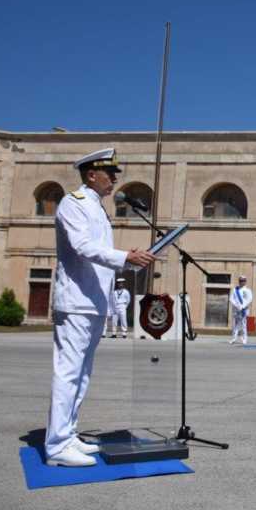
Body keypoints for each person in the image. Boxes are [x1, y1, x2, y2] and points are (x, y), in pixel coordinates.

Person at [45, 148, 156, 467]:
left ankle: (67, 434)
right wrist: (124, 257)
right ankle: (55, 445)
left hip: (93, 302)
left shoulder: (97, 208)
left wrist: (128, 259)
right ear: (91, 174)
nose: (115, 179)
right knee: (68, 372)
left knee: (81, 374)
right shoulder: (73, 204)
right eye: (111, 173)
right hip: (77, 302)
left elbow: (101, 255)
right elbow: (82, 247)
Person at [229, 275, 253, 345]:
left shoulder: (248, 290)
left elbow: (249, 299)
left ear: (245, 281)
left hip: (244, 310)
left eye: (243, 281)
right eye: (240, 281)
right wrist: (237, 305)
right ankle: (234, 338)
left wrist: (243, 306)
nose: (242, 282)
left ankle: (245, 338)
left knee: (243, 324)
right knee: (235, 324)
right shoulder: (235, 290)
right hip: (236, 309)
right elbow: (231, 299)